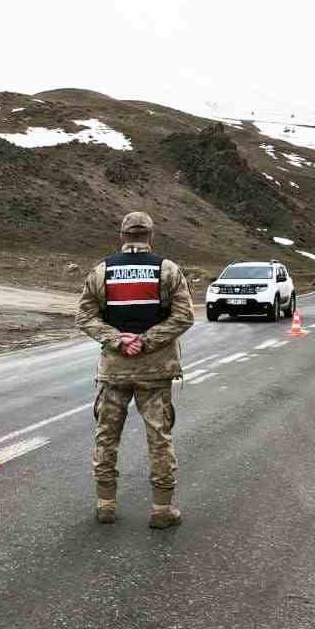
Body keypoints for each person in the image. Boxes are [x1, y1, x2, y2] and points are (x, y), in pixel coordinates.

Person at [75, 211, 195, 528]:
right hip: (155, 371)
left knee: (106, 436)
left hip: (114, 371)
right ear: (151, 236)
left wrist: (118, 340)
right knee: (159, 439)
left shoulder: (102, 271)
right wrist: (146, 341)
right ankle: (161, 510)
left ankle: (105, 505)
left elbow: (85, 317)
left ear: (122, 236)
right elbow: (184, 317)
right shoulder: (167, 270)